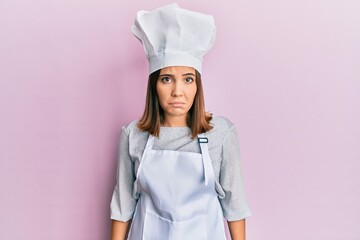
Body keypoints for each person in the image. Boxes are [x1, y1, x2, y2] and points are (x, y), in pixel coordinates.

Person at [110, 3, 252, 240]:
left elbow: (234, 205)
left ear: (197, 85)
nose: (178, 91)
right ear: (154, 85)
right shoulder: (133, 135)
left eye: (188, 79)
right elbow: (123, 207)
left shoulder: (222, 133)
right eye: (167, 79)